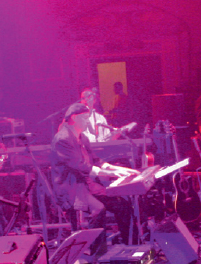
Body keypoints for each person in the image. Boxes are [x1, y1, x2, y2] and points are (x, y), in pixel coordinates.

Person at [51, 103, 137, 244]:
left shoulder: (82, 137)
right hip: (71, 188)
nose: (88, 121)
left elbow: (96, 160)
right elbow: (79, 165)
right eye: (85, 118)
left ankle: (131, 245)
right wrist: (110, 173)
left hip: (86, 185)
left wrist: (119, 169)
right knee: (98, 209)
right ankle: (98, 254)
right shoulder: (62, 139)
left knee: (122, 204)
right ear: (74, 118)